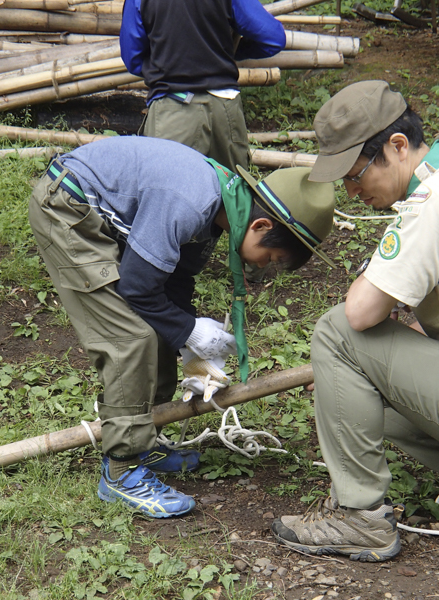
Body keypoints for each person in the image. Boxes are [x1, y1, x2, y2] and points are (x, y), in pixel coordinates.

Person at [28, 135, 335, 519]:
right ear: (260, 224)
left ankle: (143, 440)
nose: (263, 267)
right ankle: (121, 470)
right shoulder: (192, 201)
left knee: (158, 326)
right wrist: (188, 330)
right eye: (271, 257)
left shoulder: (221, 208)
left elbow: (172, 283)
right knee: (130, 337)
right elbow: (139, 288)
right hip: (68, 207)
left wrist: (189, 349)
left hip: (97, 210)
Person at [272, 79, 439, 562]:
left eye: (355, 172)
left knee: (338, 334)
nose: (349, 190)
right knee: (370, 402)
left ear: (398, 146)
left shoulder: (430, 204)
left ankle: (360, 518)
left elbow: (361, 312)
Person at [119, 0, 286, 174]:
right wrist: (226, 52)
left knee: (170, 194)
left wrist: (165, 64)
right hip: (225, 109)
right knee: (232, 195)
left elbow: (132, 58)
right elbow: (273, 38)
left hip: (173, 110)